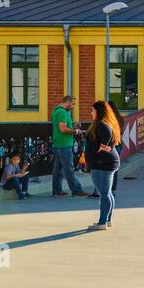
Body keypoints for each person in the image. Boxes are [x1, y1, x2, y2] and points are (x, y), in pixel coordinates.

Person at [86, 99, 123, 230]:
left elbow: (107, 136)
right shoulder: (106, 123)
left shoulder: (102, 124)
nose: (91, 112)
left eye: (92, 110)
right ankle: (106, 220)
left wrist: (102, 147)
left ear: (98, 111)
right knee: (107, 193)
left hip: (103, 163)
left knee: (105, 193)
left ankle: (102, 222)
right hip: (105, 162)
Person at [51, 93, 89, 198]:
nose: (72, 106)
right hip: (64, 145)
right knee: (69, 169)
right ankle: (77, 190)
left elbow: (65, 126)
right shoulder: (62, 112)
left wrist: (73, 125)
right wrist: (76, 131)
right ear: (67, 102)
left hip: (58, 143)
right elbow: (63, 129)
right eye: (72, 104)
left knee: (58, 170)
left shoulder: (57, 111)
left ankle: (57, 191)